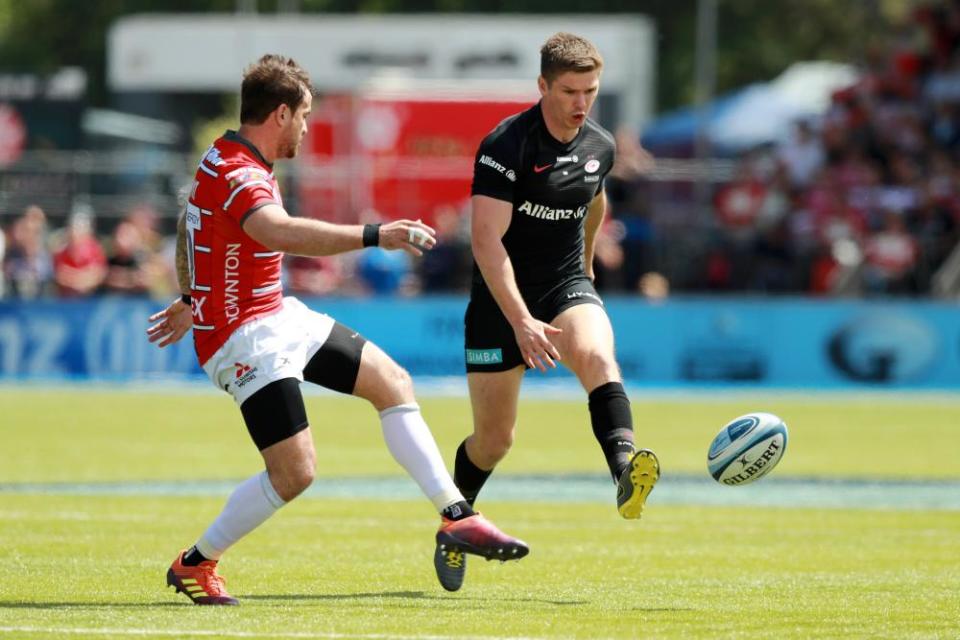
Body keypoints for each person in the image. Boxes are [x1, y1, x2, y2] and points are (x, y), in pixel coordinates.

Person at [146, 54, 527, 606]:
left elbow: (190, 223)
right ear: (280, 114)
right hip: (242, 339)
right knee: (295, 473)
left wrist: (190, 293)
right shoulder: (240, 171)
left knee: (392, 382)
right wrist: (375, 234)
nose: (305, 126)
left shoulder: (223, 157)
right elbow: (276, 232)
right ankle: (196, 564)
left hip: (276, 314)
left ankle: (456, 516)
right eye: (303, 115)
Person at [436, 33, 659, 592]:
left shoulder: (600, 145)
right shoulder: (505, 146)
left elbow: (595, 197)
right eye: (568, 91)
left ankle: (625, 467)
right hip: (499, 302)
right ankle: (455, 523)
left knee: (596, 354)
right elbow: (487, 242)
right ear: (542, 86)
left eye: (590, 90)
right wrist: (519, 321)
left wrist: (584, 270)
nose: (580, 102)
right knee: (494, 441)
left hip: (563, 286)